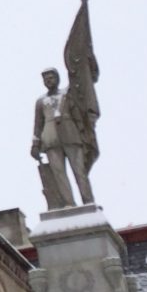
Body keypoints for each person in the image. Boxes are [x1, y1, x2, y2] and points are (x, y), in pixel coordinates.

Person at [30, 67, 95, 210]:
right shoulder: (41, 101)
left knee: (79, 171)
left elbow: (78, 116)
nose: (48, 81)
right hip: (50, 139)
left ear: (57, 78)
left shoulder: (67, 96)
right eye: (45, 79)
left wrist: (84, 135)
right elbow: (38, 124)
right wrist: (35, 144)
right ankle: (69, 203)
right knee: (59, 174)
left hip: (71, 136)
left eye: (51, 77)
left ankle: (88, 200)